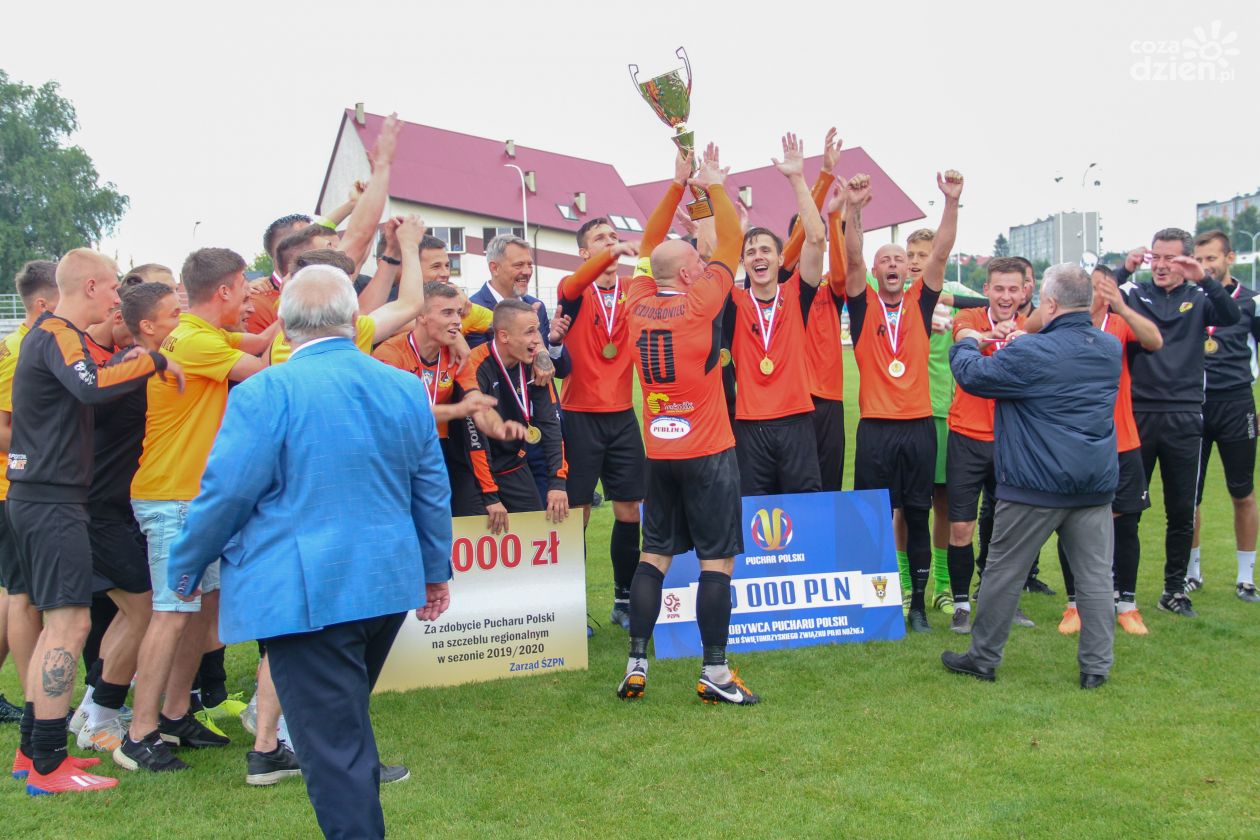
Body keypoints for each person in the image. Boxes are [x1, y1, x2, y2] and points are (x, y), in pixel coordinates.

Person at [165, 266, 453, 839]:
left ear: (284, 326)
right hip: (383, 584)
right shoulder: (401, 387)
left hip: (308, 593)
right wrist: (433, 570)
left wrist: (185, 564)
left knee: (332, 746)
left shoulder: (267, 390)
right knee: (344, 729)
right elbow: (430, 487)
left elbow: (227, 493)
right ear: (353, 319)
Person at [8, 248, 180, 794]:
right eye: (111, 288)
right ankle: (49, 767)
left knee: (60, 626)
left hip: (43, 498)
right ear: (89, 287)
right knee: (70, 626)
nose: (116, 298)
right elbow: (91, 385)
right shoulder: (58, 333)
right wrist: (153, 360)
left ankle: (33, 752)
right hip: (51, 500)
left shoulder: (56, 336)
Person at [618, 147, 759, 705]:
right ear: (685, 273)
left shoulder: (636, 301)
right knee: (715, 561)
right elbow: (732, 242)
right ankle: (715, 672)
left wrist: (677, 186)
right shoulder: (700, 301)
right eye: (695, 261)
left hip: (660, 453)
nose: (703, 264)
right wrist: (714, 186)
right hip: (708, 451)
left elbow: (648, 247)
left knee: (653, 555)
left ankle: (636, 663)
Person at [119, 247, 268, 774]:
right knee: (171, 614)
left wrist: (297, 304)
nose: (250, 298)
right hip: (172, 496)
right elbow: (266, 372)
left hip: (193, 496)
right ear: (223, 290)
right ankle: (139, 734)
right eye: (245, 288)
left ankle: (176, 713)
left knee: (200, 612)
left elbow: (261, 340)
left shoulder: (201, 333)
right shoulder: (198, 340)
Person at [941, 264, 1120, 688]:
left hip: (1034, 484)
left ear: (1050, 304)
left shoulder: (1034, 351)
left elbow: (973, 376)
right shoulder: (1108, 347)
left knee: (1003, 573)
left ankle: (983, 658)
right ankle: (1096, 667)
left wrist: (966, 342)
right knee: (1095, 578)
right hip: (1092, 482)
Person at [842, 169, 962, 633]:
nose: (893, 264)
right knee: (874, 516)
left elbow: (942, 250)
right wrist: (854, 210)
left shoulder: (920, 302)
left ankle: (916, 607)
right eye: (885, 260)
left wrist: (950, 202)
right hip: (875, 428)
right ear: (876, 273)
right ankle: (877, 601)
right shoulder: (862, 303)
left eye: (899, 259)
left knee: (916, 513)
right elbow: (852, 256)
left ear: (908, 270)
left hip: (917, 428)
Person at [75, 283, 185, 754]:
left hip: (114, 507)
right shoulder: (128, 366)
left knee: (134, 609)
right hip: (97, 508)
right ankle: (100, 713)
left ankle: (92, 709)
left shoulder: (144, 364)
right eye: (174, 314)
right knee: (143, 609)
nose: (181, 321)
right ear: (147, 325)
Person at [1116, 228, 1241, 617]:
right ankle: (1120, 591)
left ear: (1186, 260)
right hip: (1138, 414)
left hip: (1185, 415)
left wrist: (1203, 278)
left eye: (1170, 257)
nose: (1161, 265)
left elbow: (1231, 315)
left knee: (1182, 509)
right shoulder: (1134, 294)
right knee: (1126, 509)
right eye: (1155, 257)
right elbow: (1094, 298)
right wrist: (1124, 268)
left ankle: (1173, 590)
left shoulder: (1200, 297)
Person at [554, 196, 657, 628]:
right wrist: (612, 254)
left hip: (622, 416)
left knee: (630, 510)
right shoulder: (573, 289)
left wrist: (678, 188)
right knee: (576, 515)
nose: (611, 243)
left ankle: (623, 600)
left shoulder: (633, 289)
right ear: (584, 252)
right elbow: (574, 284)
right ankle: (569, 608)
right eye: (601, 239)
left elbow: (653, 248)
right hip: (579, 415)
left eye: (615, 237)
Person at [1054, 267, 1162, 635]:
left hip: (1122, 442)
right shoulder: (1062, 325)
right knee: (1071, 523)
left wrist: (1123, 306)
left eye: (1103, 285)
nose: (1096, 291)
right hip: (1076, 443)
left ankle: (1127, 605)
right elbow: (1033, 328)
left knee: (1126, 523)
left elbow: (1155, 341)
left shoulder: (1119, 324)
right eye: (1090, 285)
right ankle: (1074, 605)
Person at [729, 133, 826, 495]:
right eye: (751, 251)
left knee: (805, 512)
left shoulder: (797, 293)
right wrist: (709, 193)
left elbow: (816, 239)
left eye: (766, 250)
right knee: (755, 517)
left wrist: (798, 179)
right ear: (743, 262)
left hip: (796, 420)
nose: (758, 256)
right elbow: (709, 254)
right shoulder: (734, 301)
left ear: (781, 258)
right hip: (750, 424)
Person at [943, 258, 1027, 633]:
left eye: (1013, 289)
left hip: (1012, 439)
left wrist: (1023, 339)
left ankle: (1002, 601)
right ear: (987, 290)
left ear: (1024, 291)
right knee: (961, 526)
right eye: (999, 288)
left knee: (1008, 528)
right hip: (967, 436)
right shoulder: (971, 317)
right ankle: (961, 604)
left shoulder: (1032, 325)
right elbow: (964, 337)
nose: (1006, 296)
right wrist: (993, 336)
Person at [372, 281, 502, 508]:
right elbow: (398, 414)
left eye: (458, 313)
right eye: (447, 313)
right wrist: (459, 410)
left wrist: (483, 410)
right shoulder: (390, 355)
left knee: (440, 511)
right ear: (421, 315)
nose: (457, 321)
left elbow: (471, 392)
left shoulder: (456, 354)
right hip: (397, 446)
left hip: (438, 445)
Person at [0, 261, 60, 732]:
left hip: (22, 487)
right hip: (13, 489)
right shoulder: (20, 349)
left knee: (17, 594)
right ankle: (34, 701)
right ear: (42, 304)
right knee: (23, 597)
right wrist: (44, 444)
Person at [1189, 230, 1260, 602]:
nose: (1205, 266)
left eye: (1211, 259)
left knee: (1242, 492)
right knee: (1190, 495)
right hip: (1193, 405)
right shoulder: (1189, 299)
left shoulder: (1253, 301)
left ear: (1229, 258)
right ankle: (1191, 573)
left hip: (1237, 404)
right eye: (1199, 260)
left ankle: (1246, 578)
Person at [455, 300, 569, 531]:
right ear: (504, 336)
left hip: (514, 465)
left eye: (537, 330)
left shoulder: (536, 363)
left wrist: (557, 482)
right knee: (481, 540)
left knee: (535, 533)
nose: (538, 339)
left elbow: (550, 424)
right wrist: (490, 496)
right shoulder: (475, 366)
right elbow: (475, 440)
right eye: (529, 332)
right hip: (473, 472)